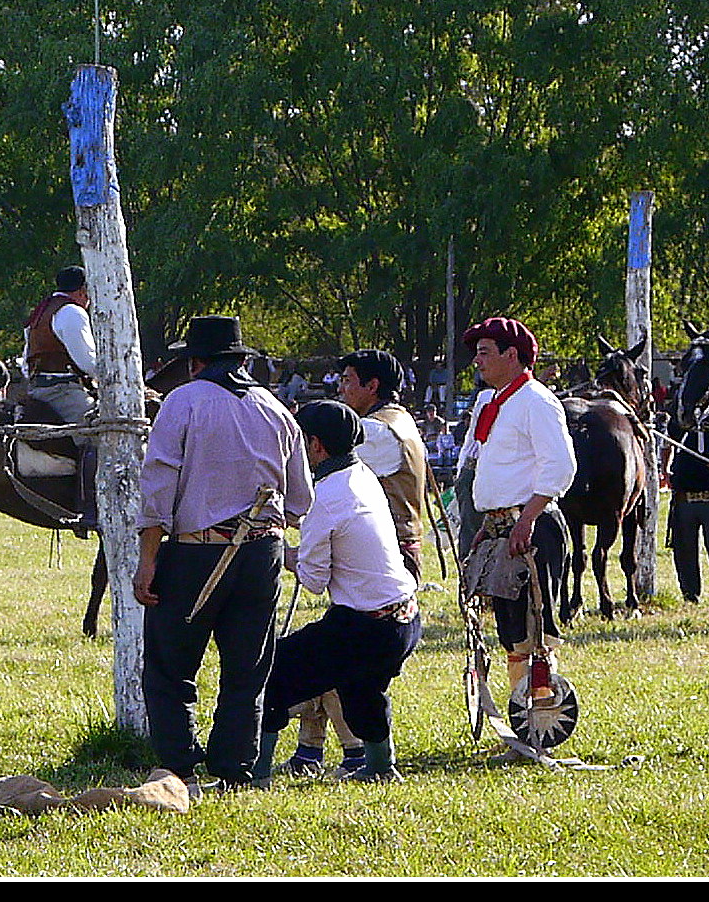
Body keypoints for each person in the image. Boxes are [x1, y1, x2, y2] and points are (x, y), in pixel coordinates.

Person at [134, 315, 312, 795]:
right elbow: (300, 502)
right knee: (247, 670)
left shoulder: (183, 401)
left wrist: (147, 559)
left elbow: (157, 490)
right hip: (262, 555)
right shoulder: (278, 411)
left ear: (195, 363)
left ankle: (181, 769)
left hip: (196, 554)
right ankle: (234, 770)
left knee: (170, 670)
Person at [250, 400, 421, 786]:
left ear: (316, 446)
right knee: (360, 686)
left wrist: (277, 546)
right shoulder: (362, 474)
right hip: (404, 617)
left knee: (272, 674)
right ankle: (380, 767)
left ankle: (254, 772)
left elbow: (311, 579)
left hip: (367, 627)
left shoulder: (323, 499)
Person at [457, 317, 576, 708]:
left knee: (534, 630)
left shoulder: (536, 401)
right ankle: (525, 716)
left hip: (531, 530)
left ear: (512, 355)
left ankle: (540, 718)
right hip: (502, 528)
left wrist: (526, 519)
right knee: (512, 632)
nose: (477, 360)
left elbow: (560, 466)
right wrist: (488, 527)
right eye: (477, 352)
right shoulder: (497, 402)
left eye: (485, 352)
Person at [21, 265, 100, 535]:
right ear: (81, 291)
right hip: (63, 391)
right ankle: (90, 509)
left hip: (37, 388)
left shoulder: (41, 312)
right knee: (99, 435)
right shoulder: (72, 313)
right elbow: (88, 362)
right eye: (88, 292)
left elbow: (25, 362)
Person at [664, 409, 709, 605]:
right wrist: (665, 468)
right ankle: (690, 595)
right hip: (683, 498)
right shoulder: (681, 417)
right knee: (684, 550)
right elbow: (669, 440)